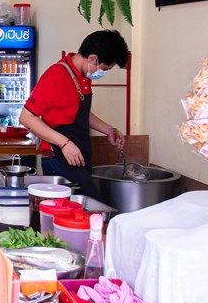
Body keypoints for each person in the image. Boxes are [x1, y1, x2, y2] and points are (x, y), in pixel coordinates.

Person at [18, 29, 128, 201]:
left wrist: (108, 129)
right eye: (104, 69)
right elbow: (26, 117)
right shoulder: (56, 75)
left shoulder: (83, 76)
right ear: (92, 58)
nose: (103, 73)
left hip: (78, 156)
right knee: (82, 212)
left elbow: (78, 111)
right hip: (59, 159)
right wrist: (64, 143)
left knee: (84, 212)